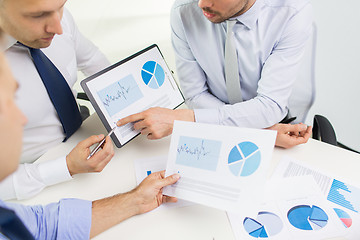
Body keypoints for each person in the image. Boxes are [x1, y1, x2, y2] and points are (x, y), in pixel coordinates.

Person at [0, 39, 180, 238]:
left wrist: (136, 200)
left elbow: (44, 226)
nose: (57, 27)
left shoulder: (60, 25)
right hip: (35, 164)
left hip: (83, 138)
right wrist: (65, 166)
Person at [117, 0, 313, 148]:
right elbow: (195, 95)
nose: (203, 4)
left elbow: (269, 106)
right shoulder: (184, 10)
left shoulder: (291, 12)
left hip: (280, 121)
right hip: (260, 129)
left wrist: (181, 119)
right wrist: (261, 132)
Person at [0, 0, 115, 200]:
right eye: (37, 16)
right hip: (35, 179)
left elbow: (91, 59)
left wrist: (121, 103)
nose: (58, 28)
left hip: (89, 139)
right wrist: (65, 167)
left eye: (61, 6)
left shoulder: (55, 17)